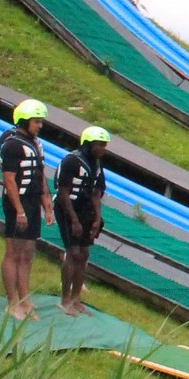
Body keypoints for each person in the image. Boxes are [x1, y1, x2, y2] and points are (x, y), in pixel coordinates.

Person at [0, 98, 51, 321]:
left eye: (40, 121)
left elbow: (40, 173)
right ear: (24, 120)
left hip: (32, 201)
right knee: (14, 251)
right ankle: (12, 302)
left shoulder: (35, 144)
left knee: (28, 251)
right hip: (16, 202)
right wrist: (19, 210)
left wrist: (46, 202)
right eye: (36, 121)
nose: (40, 125)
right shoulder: (12, 144)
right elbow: (9, 180)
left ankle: (24, 298)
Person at [53, 125, 111, 317]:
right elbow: (63, 192)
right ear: (88, 144)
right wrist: (74, 220)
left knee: (84, 253)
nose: (102, 149)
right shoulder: (71, 161)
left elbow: (96, 191)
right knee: (73, 252)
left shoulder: (96, 164)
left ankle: (76, 298)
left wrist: (97, 217)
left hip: (85, 210)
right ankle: (65, 300)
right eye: (99, 144)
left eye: (104, 145)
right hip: (67, 208)